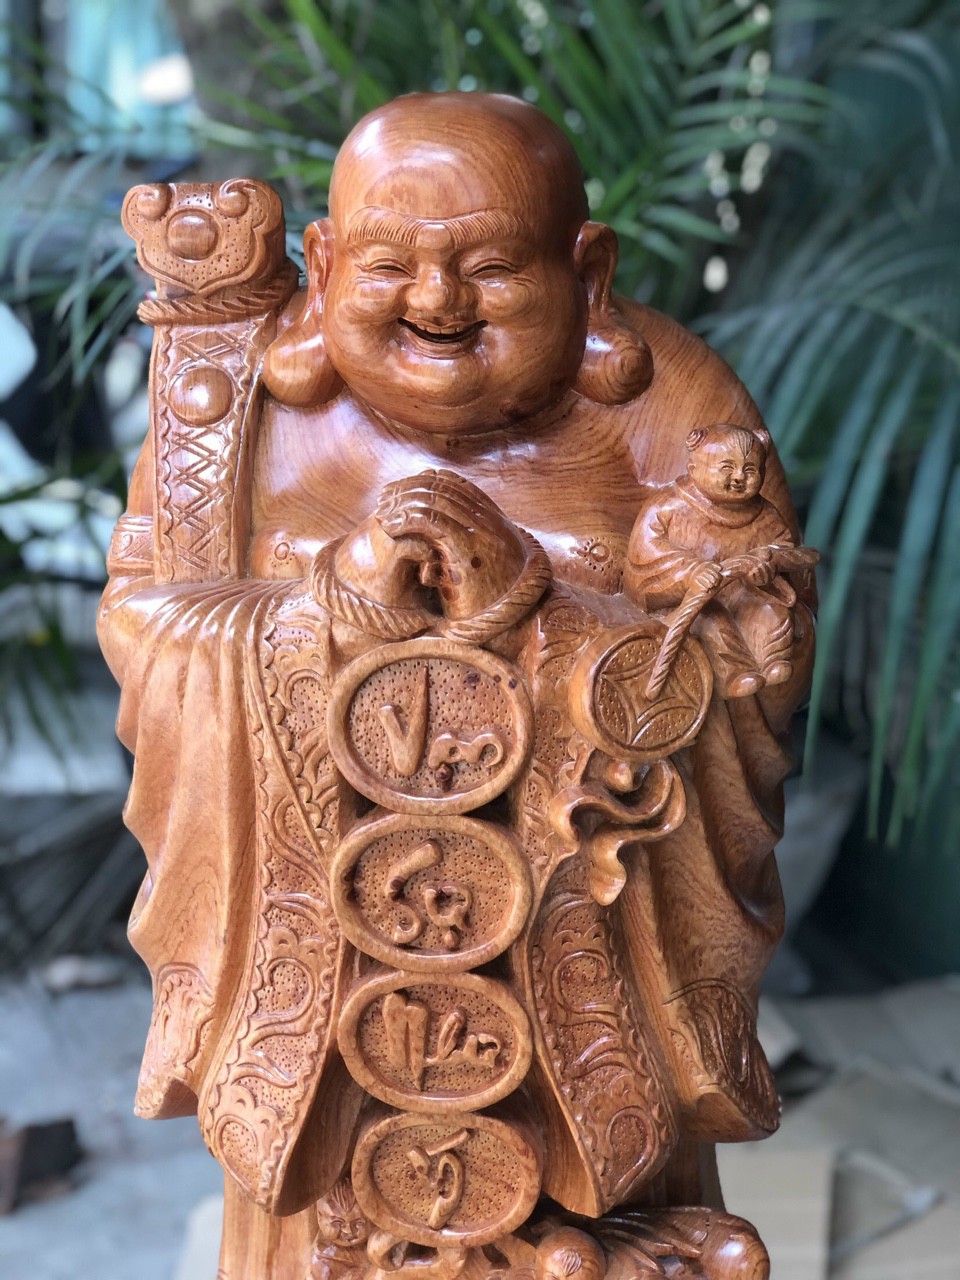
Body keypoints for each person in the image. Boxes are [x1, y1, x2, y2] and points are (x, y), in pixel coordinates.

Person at [102, 92, 814, 1279]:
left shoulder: (678, 412)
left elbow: (748, 670)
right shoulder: (225, 413)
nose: (437, 300)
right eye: (389, 263)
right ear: (322, 262)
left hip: (578, 978)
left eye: (489, 267)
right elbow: (147, 631)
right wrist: (330, 608)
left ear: (588, 272)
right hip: (330, 987)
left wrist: (539, 612)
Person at [625, 423, 815, 697]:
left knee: (772, 613)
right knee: (712, 623)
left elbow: (785, 549)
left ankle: (770, 659)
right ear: (694, 469)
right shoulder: (668, 506)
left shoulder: (765, 514)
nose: (739, 477)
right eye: (727, 468)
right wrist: (692, 571)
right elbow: (646, 551)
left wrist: (768, 565)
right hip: (693, 597)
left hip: (742, 593)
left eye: (750, 470)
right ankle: (736, 673)